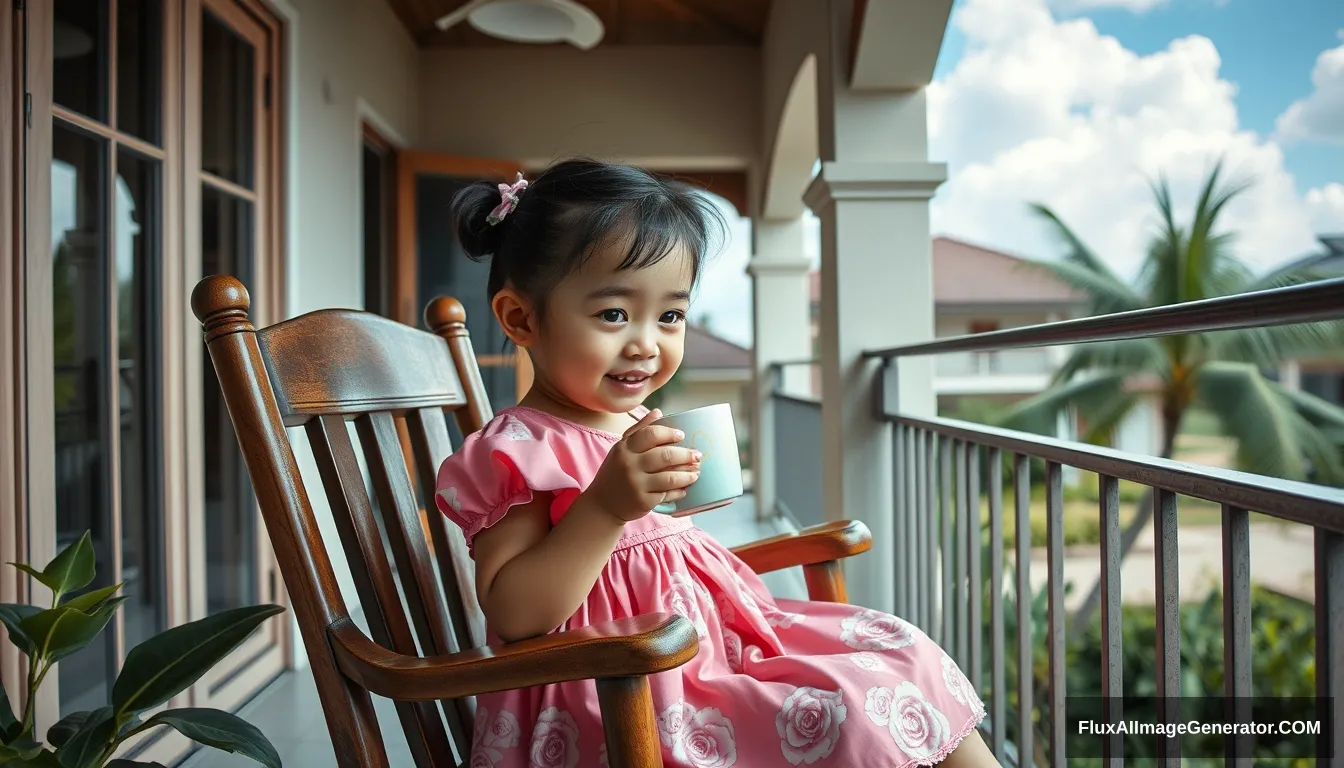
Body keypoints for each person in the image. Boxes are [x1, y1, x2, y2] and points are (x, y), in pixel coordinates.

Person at [435, 159, 997, 768]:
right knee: (851, 701)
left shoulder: (635, 426)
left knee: (902, 650)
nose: (647, 343)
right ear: (522, 318)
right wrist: (604, 507)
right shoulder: (521, 448)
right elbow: (515, 615)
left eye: (670, 315)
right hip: (623, 694)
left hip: (711, 650)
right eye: (614, 314)